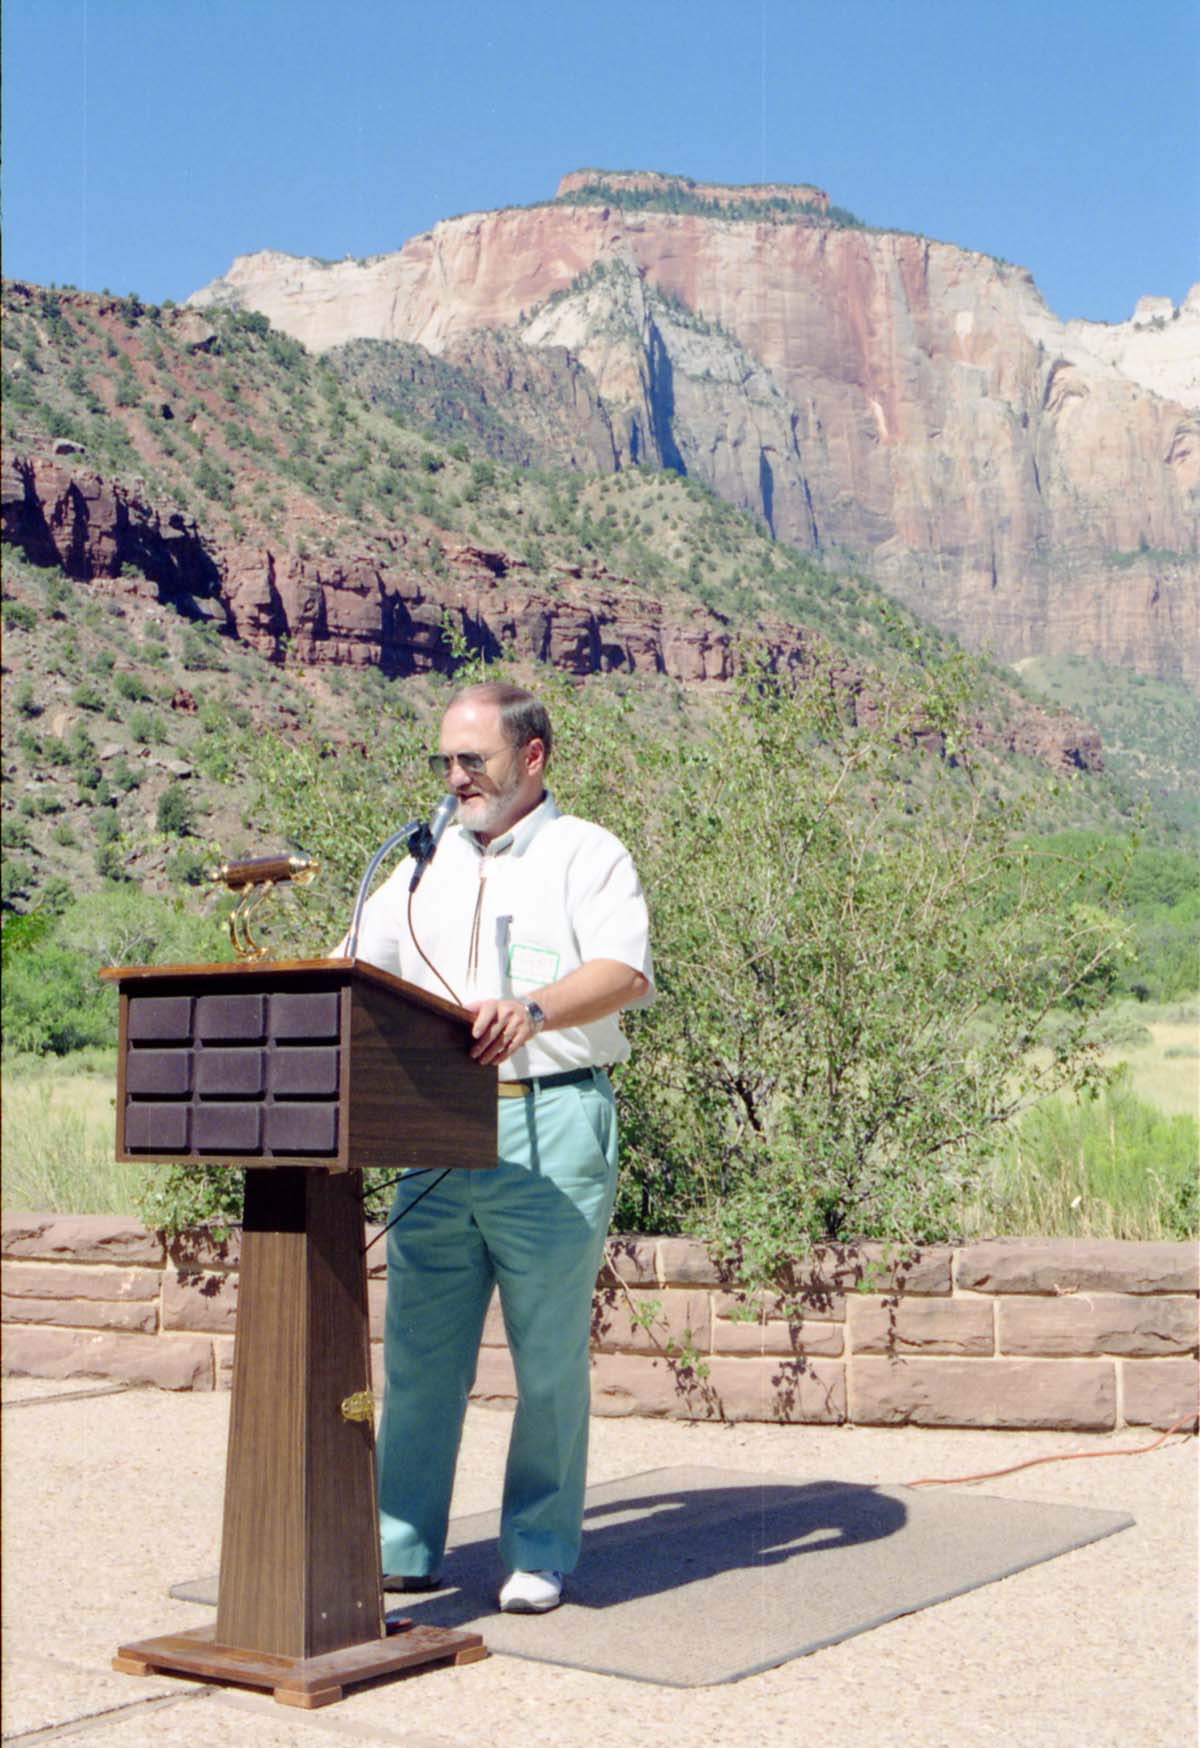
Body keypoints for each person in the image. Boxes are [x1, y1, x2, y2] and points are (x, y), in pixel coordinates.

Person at [348, 680, 653, 1614]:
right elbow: (355, 970)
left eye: (472, 760)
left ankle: (538, 1549)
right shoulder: (421, 866)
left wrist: (533, 1009)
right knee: (419, 1352)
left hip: (550, 1118)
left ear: (532, 757)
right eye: (446, 760)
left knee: (547, 1355)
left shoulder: (585, 853)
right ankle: (399, 1546)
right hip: (434, 1132)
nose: (455, 778)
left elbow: (625, 972)